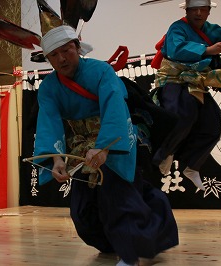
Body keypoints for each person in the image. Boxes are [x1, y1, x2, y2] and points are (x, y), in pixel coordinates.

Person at [33, 25, 179, 266]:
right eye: (53, 55)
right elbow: (48, 122)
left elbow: (115, 109)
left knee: (118, 195)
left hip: (114, 140)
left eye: (66, 50)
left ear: (77, 48)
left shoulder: (100, 71)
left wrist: (104, 147)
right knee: (82, 211)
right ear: (47, 59)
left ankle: (131, 251)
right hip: (81, 146)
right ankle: (124, 240)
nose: (61, 59)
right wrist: (56, 160)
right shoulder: (49, 88)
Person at [151, 0, 221, 190]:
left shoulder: (213, 30)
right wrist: (208, 50)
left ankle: (192, 165)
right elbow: (177, 49)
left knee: (213, 123)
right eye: (194, 9)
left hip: (196, 83)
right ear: (187, 10)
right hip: (174, 81)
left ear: (209, 11)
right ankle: (164, 154)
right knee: (183, 114)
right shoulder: (177, 27)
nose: (199, 13)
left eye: (203, 9)